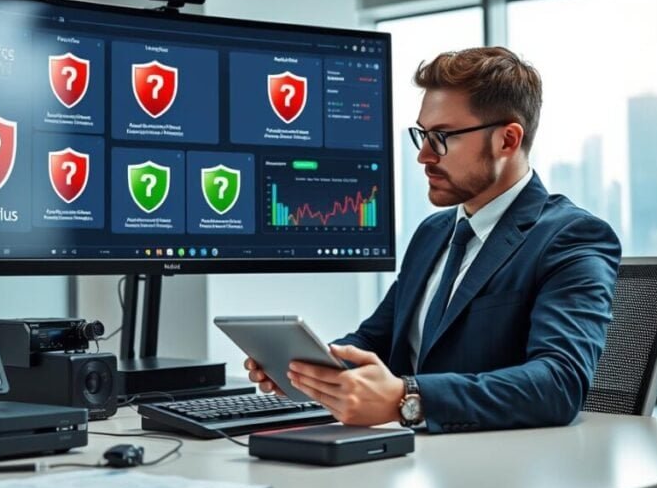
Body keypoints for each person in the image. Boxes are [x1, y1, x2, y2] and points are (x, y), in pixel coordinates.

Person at [245, 46, 621, 432]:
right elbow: (375, 339)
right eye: (422, 135)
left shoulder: (572, 237)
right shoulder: (433, 233)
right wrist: (307, 370)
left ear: (507, 140)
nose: (424, 155)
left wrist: (407, 398)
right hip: (417, 464)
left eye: (441, 137)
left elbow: (558, 384)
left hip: (503, 472)